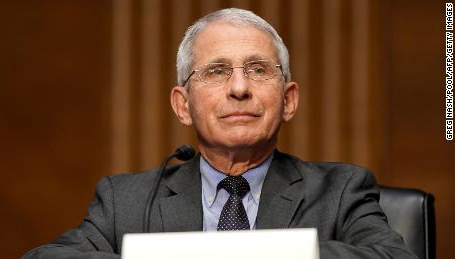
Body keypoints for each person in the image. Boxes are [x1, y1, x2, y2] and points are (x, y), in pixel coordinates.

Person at [23, 8, 417, 259]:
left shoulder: (341, 190)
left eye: (259, 69)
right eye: (216, 71)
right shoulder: (126, 200)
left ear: (288, 100)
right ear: (183, 105)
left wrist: (269, 254)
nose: (239, 88)